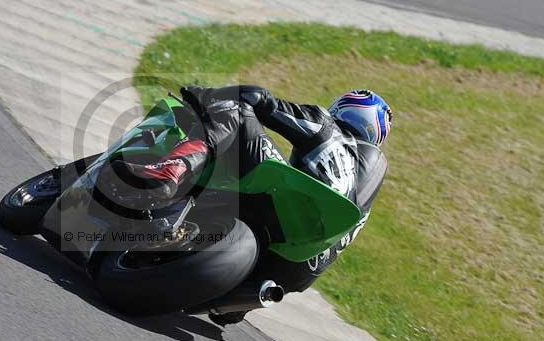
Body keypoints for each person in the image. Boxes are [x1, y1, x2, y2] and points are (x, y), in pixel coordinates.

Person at [112, 85, 392, 325]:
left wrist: (208, 95)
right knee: (228, 313)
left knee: (235, 111)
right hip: (299, 268)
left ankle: (171, 171)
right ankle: (241, 297)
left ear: (343, 109)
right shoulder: (371, 184)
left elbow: (262, 100)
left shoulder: (326, 124)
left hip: (283, 202)